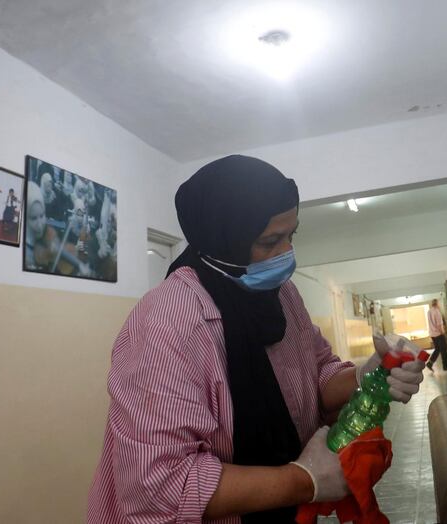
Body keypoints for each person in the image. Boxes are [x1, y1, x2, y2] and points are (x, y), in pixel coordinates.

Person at [87, 155, 426, 524]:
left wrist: (367, 375)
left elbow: (314, 377)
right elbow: (160, 486)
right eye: (270, 241)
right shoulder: (169, 323)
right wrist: (302, 480)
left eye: (291, 235)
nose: (287, 255)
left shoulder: (282, 296)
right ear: (224, 240)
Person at [426, 298, 447, 372]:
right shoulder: (437, 312)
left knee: (437, 349)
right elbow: (439, 324)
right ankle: (446, 366)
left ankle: (430, 363)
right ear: (437, 304)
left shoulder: (429, 311)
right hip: (438, 334)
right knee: (443, 350)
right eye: (439, 303)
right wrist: (443, 333)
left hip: (432, 334)